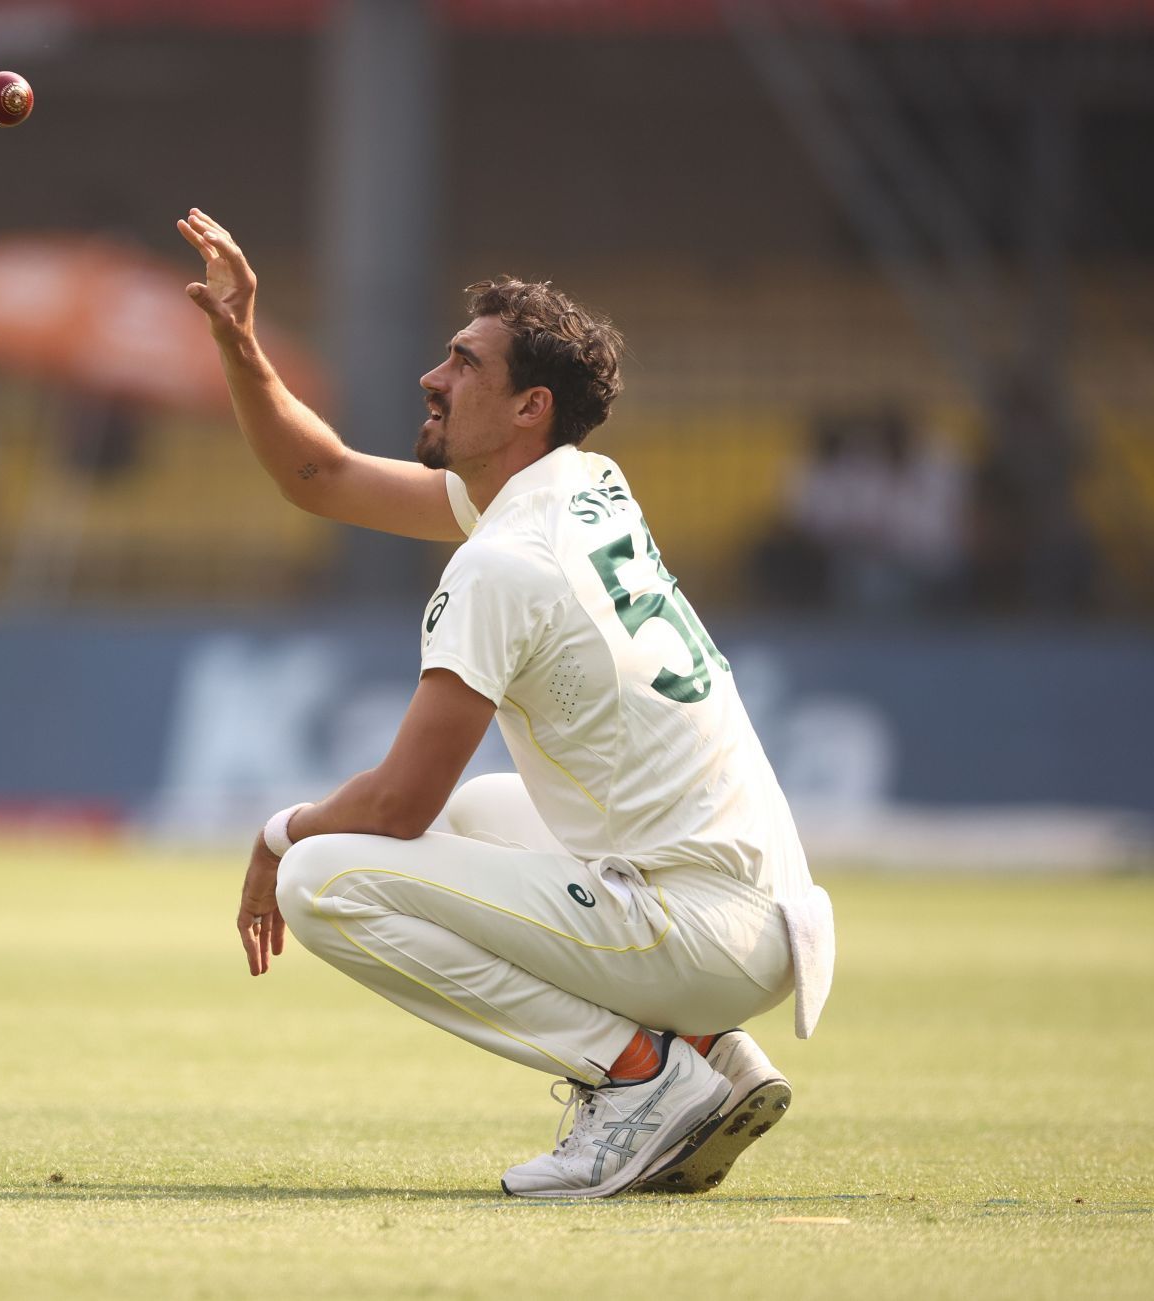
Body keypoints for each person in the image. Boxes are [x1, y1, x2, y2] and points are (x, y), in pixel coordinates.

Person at [176, 208, 835, 1200]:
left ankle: (639, 1079)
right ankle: (711, 1055)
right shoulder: (580, 487)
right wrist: (241, 343)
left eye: (463, 364)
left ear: (529, 407)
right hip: (764, 913)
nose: (432, 378)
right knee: (482, 812)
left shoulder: (503, 562)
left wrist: (275, 835)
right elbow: (320, 475)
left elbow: (397, 803)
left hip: (702, 928)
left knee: (324, 877)